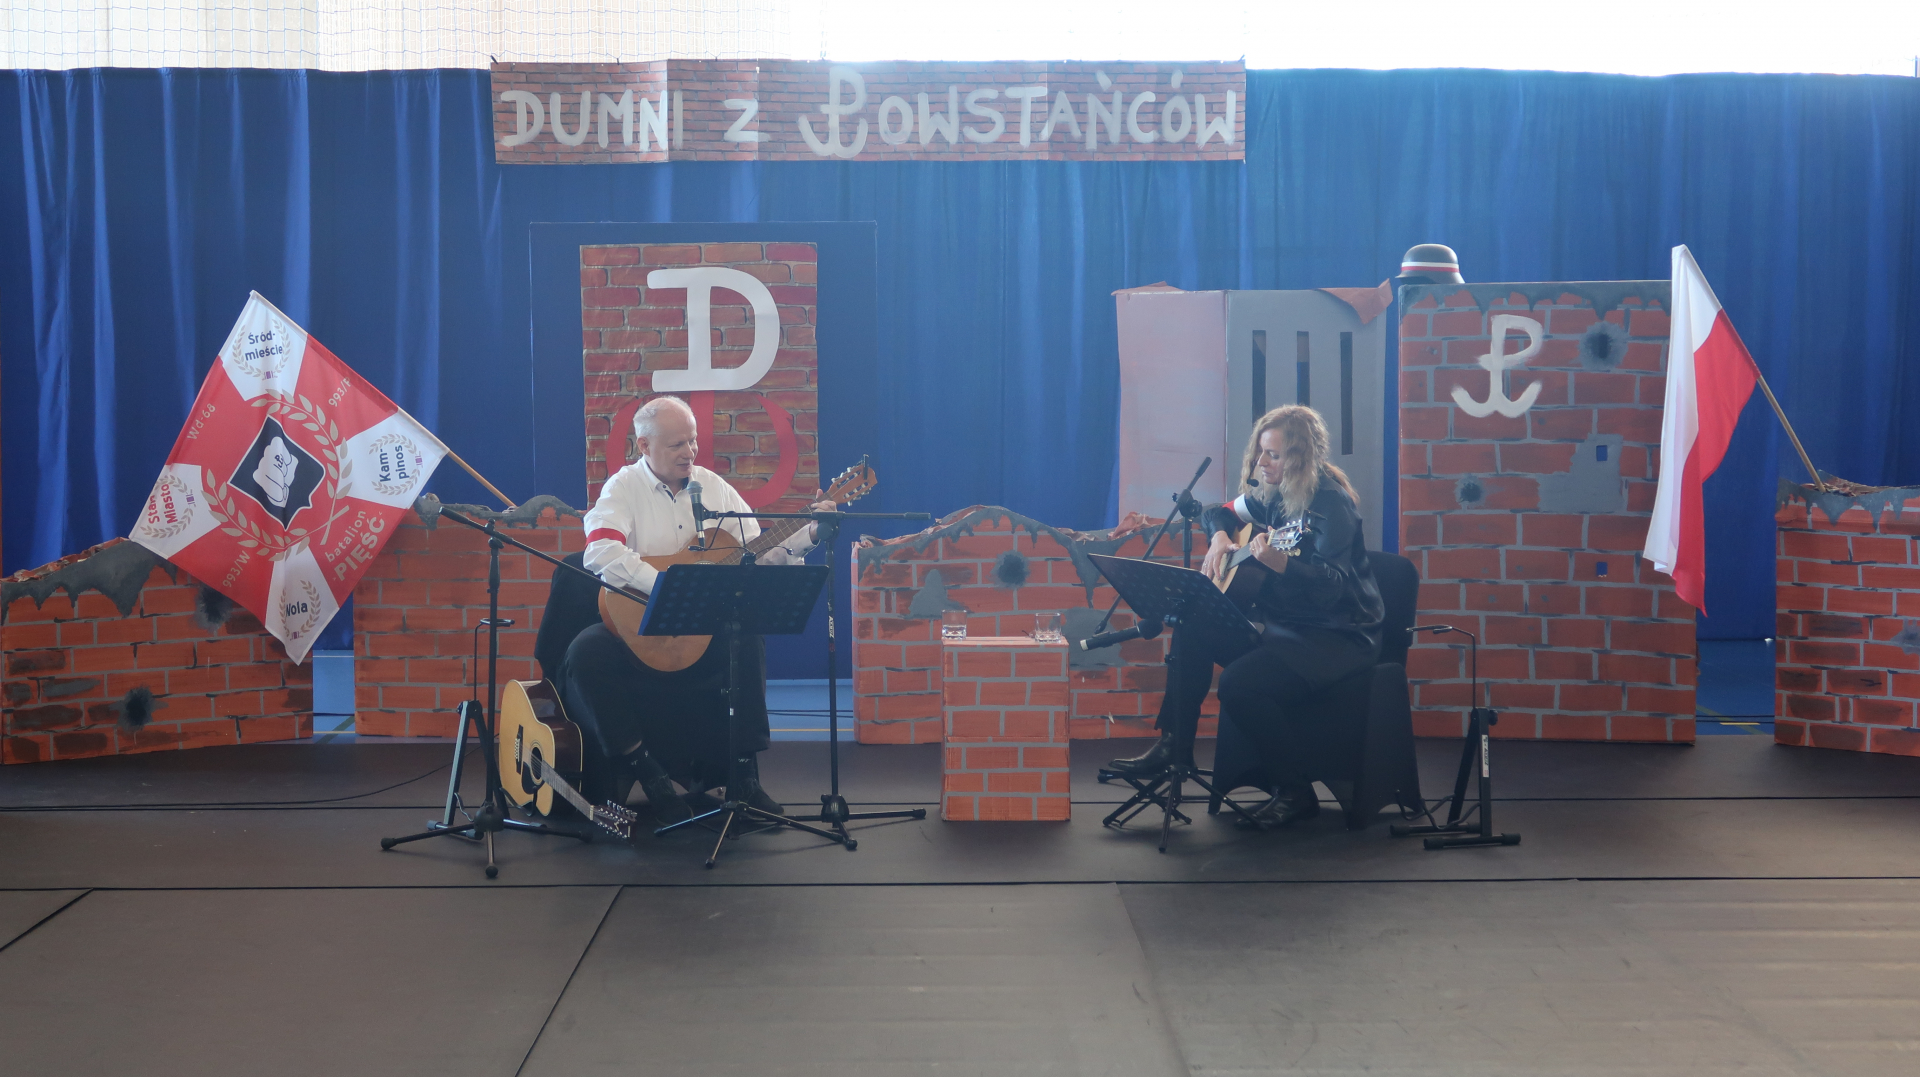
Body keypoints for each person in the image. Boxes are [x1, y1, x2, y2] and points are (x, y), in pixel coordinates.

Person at [555, 394, 835, 824]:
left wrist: (809, 534)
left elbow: (758, 553)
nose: (689, 452)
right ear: (644, 446)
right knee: (584, 653)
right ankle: (649, 773)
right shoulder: (623, 488)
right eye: (677, 445)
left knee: (747, 638)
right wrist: (667, 586)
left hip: (701, 628)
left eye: (693, 441)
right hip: (640, 627)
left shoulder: (713, 487)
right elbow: (600, 551)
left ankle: (743, 776)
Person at [1105, 405, 1384, 828]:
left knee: (1238, 685)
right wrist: (1219, 536)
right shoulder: (1271, 493)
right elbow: (1215, 511)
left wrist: (1283, 564)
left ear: (1300, 457)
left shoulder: (1331, 504)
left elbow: (1335, 587)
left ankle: (1295, 791)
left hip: (1338, 637)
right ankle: (1174, 747)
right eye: (1260, 453)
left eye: (1273, 455)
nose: (1261, 463)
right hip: (1285, 628)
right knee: (1192, 622)